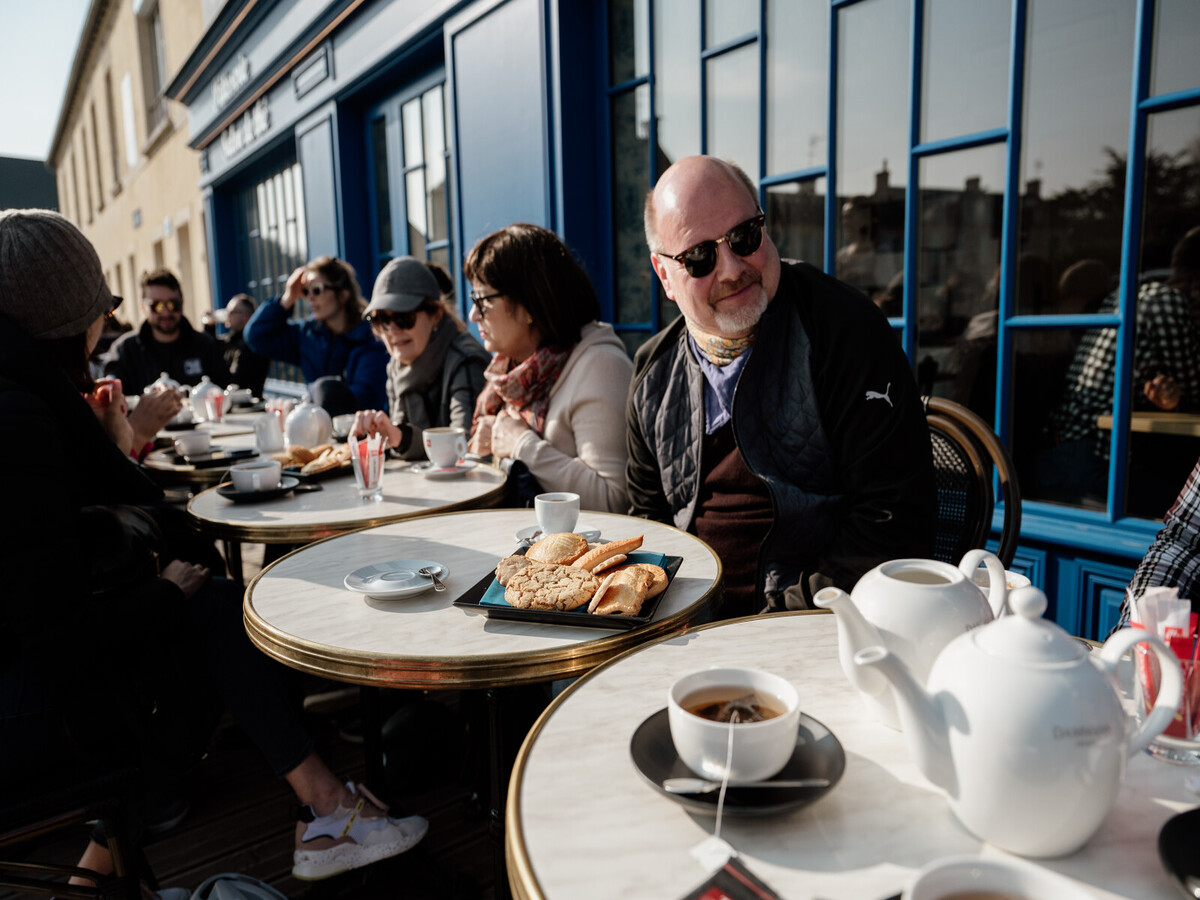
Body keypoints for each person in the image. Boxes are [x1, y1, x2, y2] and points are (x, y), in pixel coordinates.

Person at [0, 209, 427, 887]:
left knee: (210, 602)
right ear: (62, 321)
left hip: (17, 679)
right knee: (214, 613)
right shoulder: (17, 418)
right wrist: (163, 592)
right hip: (13, 712)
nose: (104, 327)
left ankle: (102, 863)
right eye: (98, 312)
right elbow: (56, 635)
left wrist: (113, 447)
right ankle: (323, 808)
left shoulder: (22, 399)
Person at [628, 155, 937, 619]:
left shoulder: (841, 330)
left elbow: (894, 520)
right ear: (664, 274)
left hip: (817, 630)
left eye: (744, 236)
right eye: (700, 257)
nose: (732, 268)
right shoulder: (653, 372)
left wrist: (771, 628)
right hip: (683, 632)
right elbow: (649, 528)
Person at [464, 223, 633, 512]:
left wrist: (522, 445)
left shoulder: (600, 367)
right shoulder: (511, 373)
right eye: (473, 300)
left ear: (529, 304)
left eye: (483, 300)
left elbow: (613, 499)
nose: (473, 315)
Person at [1037, 227, 1200, 507]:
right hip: (1095, 458)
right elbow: (1194, 388)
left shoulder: (1132, 294)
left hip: (1066, 448)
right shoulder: (1166, 302)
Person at [351, 257, 490, 460]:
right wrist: (387, 434)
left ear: (436, 315)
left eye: (404, 317)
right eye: (381, 320)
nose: (393, 330)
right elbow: (402, 440)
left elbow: (465, 449)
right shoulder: (396, 366)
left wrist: (402, 438)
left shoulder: (465, 361)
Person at [244, 256, 389, 415]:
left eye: (317, 290)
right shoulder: (308, 334)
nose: (310, 298)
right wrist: (287, 299)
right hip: (317, 428)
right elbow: (256, 337)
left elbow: (365, 397)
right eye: (306, 291)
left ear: (342, 294)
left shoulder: (370, 338)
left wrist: (323, 395)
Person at [102, 268, 227, 395]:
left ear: (182, 303)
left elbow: (225, 393)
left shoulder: (205, 346)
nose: (166, 313)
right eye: (157, 306)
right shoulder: (124, 351)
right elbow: (112, 397)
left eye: (173, 304)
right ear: (143, 307)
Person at [221, 293, 270, 399]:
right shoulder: (232, 340)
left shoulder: (253, 345)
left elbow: (236, 381)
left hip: (248, 407)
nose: (227, 316)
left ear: (245, 316)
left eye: (231, 312)